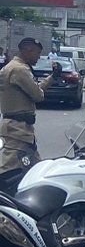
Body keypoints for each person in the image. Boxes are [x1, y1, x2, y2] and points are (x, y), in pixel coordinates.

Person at [0, 37, 46, 174]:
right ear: (28, 51)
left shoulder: (14, 67)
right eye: (37, 53)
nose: (39, 57)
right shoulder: (19, 70)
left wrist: (52, 78)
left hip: (21, 128)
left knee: (37, 169)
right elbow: (38, 95)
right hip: (17, 129)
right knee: (6, 169)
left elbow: (35, 90)